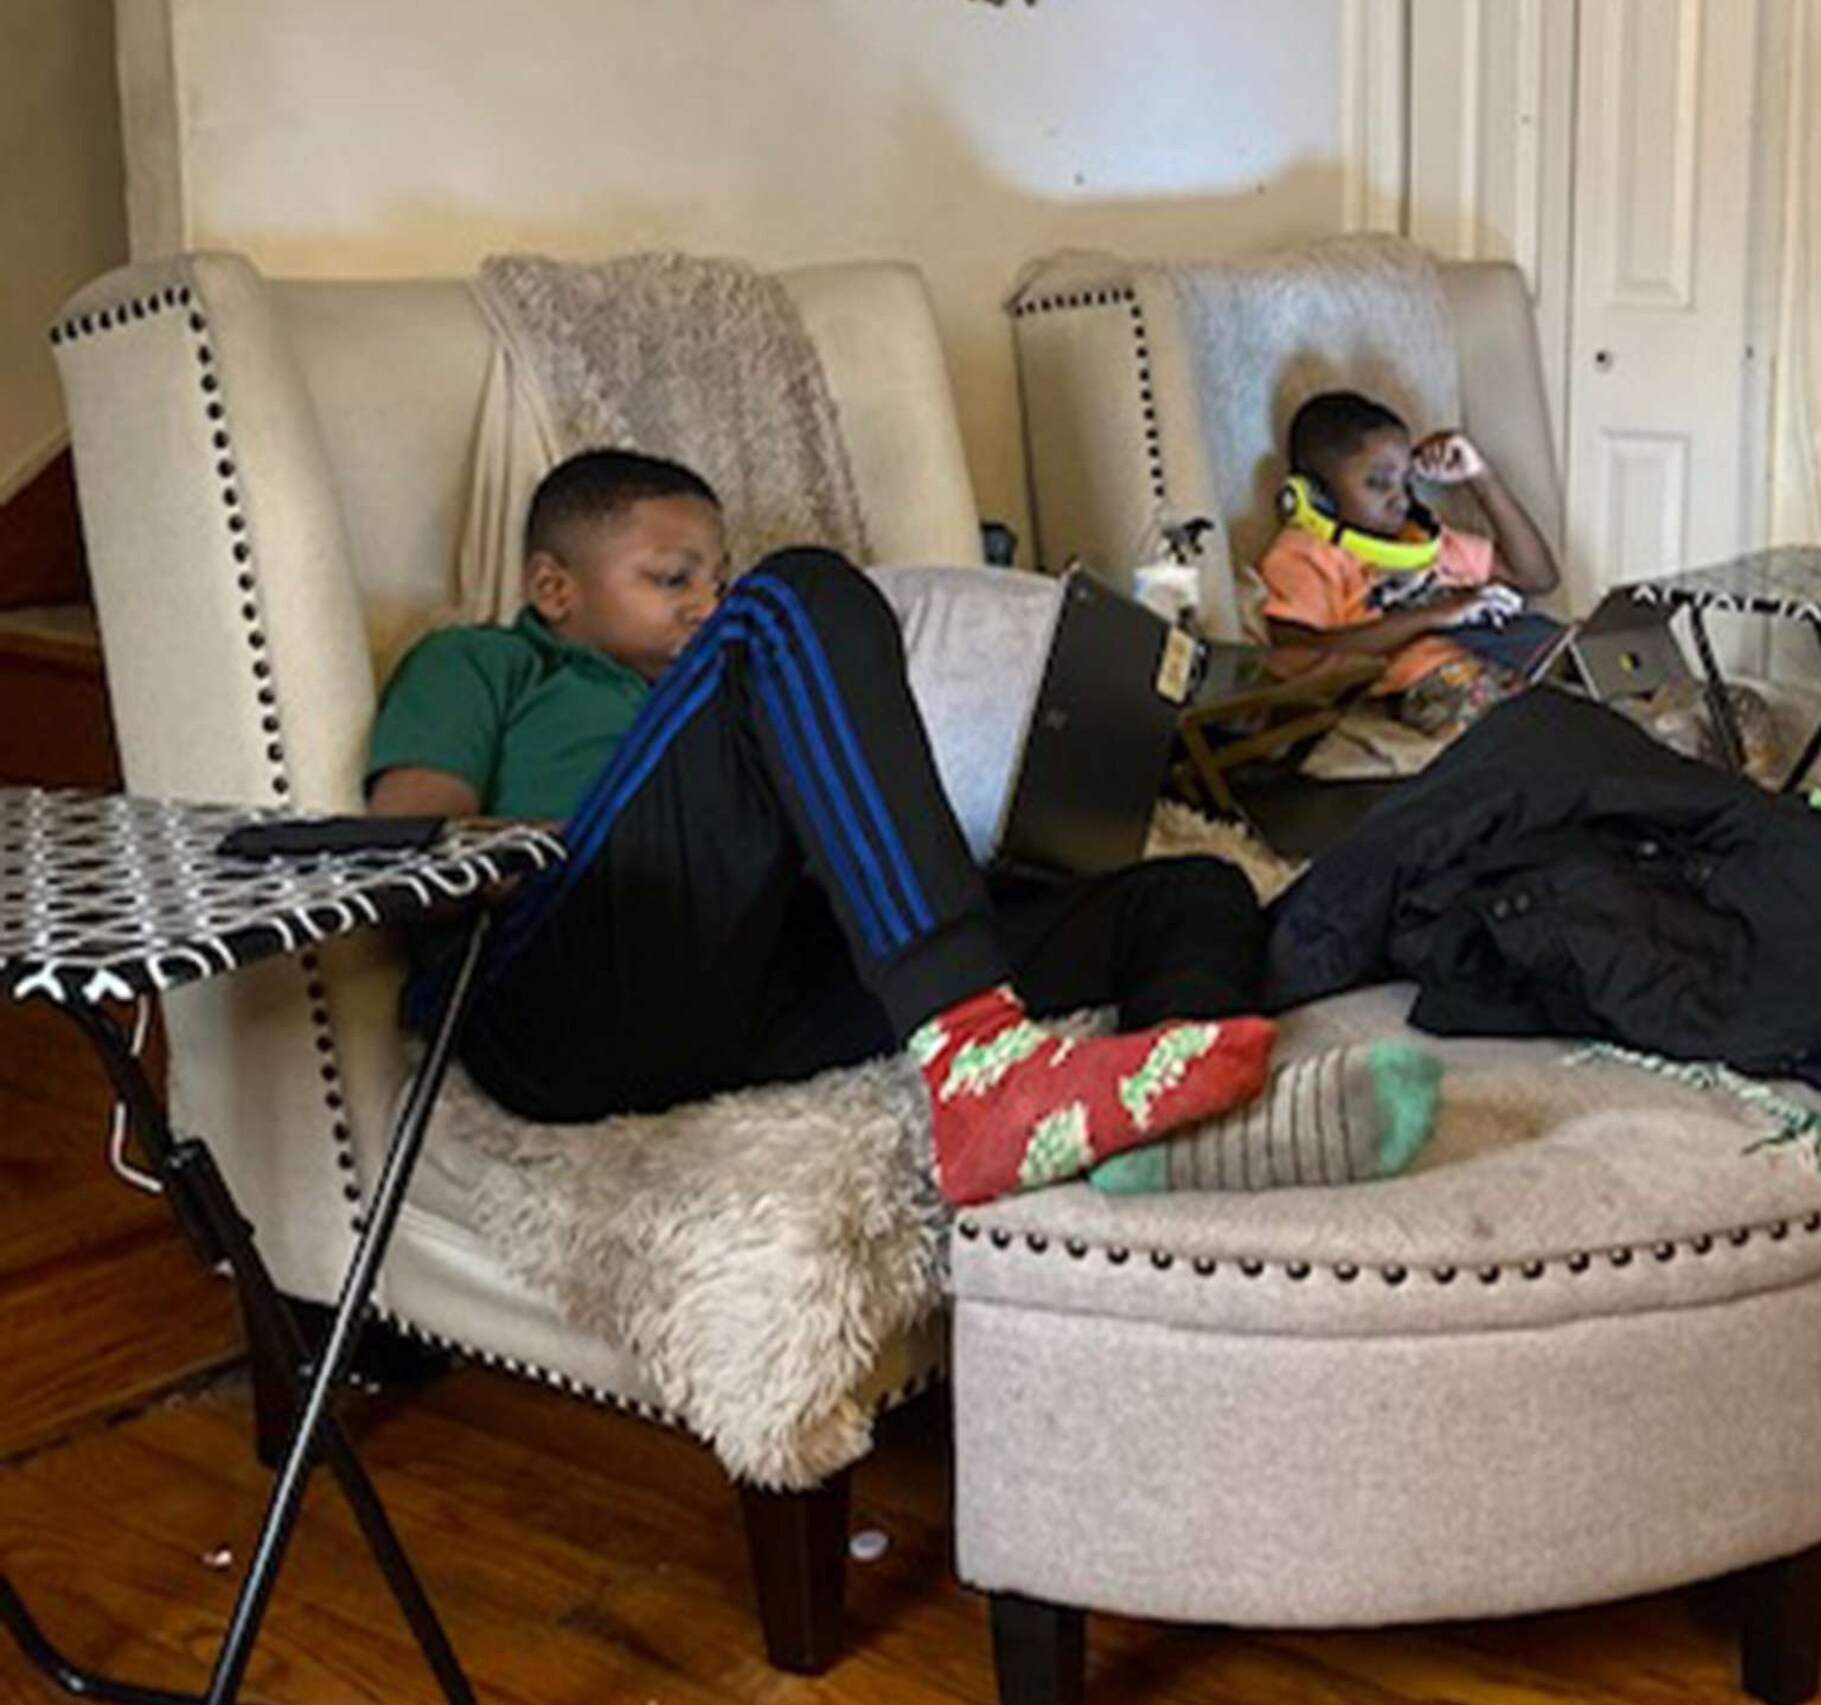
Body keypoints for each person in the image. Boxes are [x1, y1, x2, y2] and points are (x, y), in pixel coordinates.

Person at [365, 449, 1437, 1207]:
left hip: (756, 985)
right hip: (560, 996)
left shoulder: (721, 702)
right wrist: (636, 823)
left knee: (1187, 890)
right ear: (554, 586)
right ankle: (982, 1068)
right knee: (796, 597)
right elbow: (404, 847)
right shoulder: (487, 664)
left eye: (713, 576)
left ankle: (1173, 1133)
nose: (703, 601)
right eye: (670, 578)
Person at [1257, 390, 1560, 734]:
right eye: (1379, 483)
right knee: (1544, 730)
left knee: (1610, 691)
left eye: (1406, 482)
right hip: (1439, 678)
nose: (1400, 500)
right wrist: (1435, 615)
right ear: (1317, 495)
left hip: (1514, 653)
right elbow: (1294, 652)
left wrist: (1481, 476)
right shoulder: (1307, 555)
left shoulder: (1420, 537)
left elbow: (1537, 576)